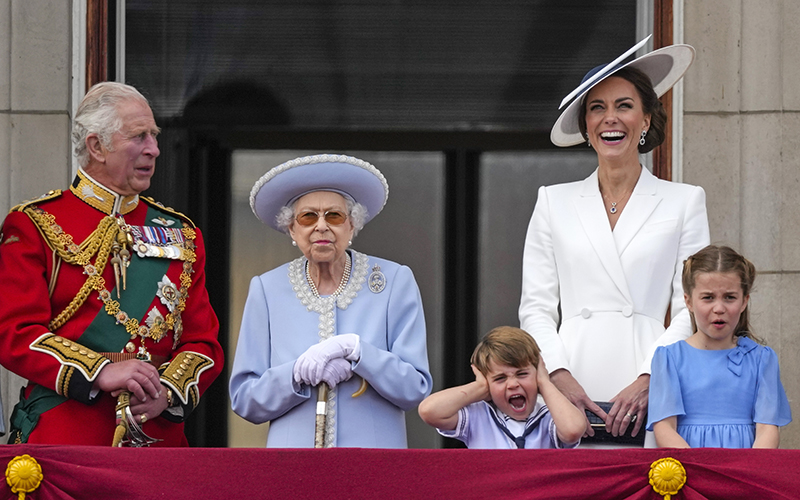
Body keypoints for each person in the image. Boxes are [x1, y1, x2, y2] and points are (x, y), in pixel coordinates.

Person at [0, 82, 223, 446]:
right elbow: (15, 332)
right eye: (139, 137)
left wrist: (166, 391)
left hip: (157, 439)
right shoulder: (35, 224)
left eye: (154, 135)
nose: (154, 149)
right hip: (66, 436)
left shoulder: (182, 233)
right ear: (96, 146)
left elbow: (203, 343)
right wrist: (101, 371)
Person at [519, 36, 711, 445]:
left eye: (624, 106)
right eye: (597, 108)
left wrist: (650, 378)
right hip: (570, 383)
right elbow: (535, 308)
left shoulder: (685, 200)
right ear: (586, 126)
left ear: (645, 120)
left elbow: (691, 307)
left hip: (651, 379)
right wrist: (556, 375)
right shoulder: (553, 201)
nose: (611, 119)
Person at [229, 154, 432, 448]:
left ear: (352, 226)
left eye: (334, 216)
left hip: (373, 465)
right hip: (292, 465)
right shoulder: (267, 289)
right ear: (292, 230)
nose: (321, 226)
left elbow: (415, 388)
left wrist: (360, 352)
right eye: (308, 217)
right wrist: (295, 373)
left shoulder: (393, 281)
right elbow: (245, 400)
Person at [647, 245, 791, 448]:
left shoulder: (762, 359)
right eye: (708, 297)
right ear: (688, 301)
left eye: (729, 297)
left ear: (744, 302)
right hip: (689, 471)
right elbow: (665, 429)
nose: (719, 308)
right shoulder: (669, 358)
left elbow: (767, 430)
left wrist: (744, 474)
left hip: (743, 472)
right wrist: (699, 474)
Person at [418, 326, 584, 449]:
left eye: (522, 374)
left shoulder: (551, 417)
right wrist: (479, 388)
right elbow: (429, 411)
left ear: (537, 374)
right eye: (500, 378)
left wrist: (545, 383)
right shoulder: (479, 416)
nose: (513, 384)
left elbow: (573, 430)